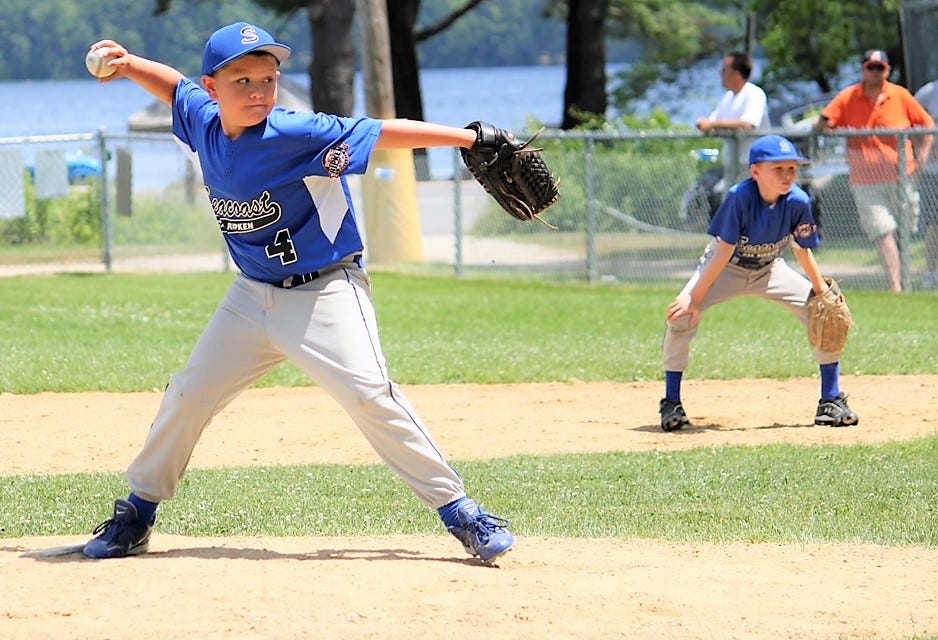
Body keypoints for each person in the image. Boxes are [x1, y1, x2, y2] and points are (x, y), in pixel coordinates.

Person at [80, 22, 514, 564]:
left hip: (326, 290)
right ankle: (137, 516)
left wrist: (468, 138)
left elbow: (382, 132)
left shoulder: (298, 132)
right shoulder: (201, 120)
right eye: (243, 80)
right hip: (250, 294)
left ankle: (462, 513)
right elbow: (173, 86)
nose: (259, 90)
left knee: (369, 393)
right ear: (213, 88)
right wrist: (129, 61)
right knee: (188, 395)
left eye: (268, 77)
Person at [659, 134, 859, 432]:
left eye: (791, 168)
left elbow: (801, 248)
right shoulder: (739, 197)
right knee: (682, 316)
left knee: (824, 314)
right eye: (777, 168)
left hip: (770, 268)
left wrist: (820, 289)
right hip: (726, 267)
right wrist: (695, 300)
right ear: (755, 171)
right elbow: (723, 252)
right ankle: (671, 402)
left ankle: (830, 399)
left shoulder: (799, 200)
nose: (787, 175)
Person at [815, 49, 934, 293]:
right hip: (865, 179)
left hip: (902, 176)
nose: (875, 72)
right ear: (863, 69)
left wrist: (921, 156)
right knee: (882, 230)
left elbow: (927, 125)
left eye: (880, 67)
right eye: (871, 67)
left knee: (904, 230)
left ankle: (904, 278)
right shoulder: (848, 97)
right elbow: (826, 120)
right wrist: (821, 124)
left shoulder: (900, 95)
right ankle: (896, 286)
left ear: (888, 70)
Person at [696, 51, 771, 196]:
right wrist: (705, 124)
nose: (720, 74)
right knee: (731, 207)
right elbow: (712, 121)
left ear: (737, 74)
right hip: (733, 166)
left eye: (724, 70)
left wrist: (713, 125)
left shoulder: (754, 93)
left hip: (754, 165)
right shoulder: (728, 97)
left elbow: (749, 123)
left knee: (752, 208)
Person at [913, 78, 938, 289]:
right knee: (934, 225)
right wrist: (923, 151)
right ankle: (931, 271)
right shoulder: (928, 92)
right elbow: (909, 124)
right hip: (934, 173)